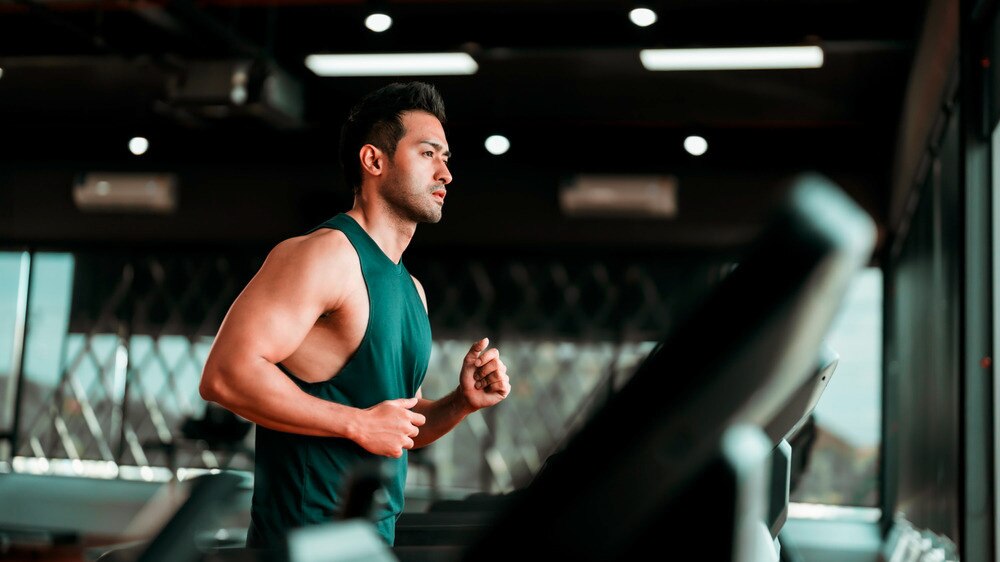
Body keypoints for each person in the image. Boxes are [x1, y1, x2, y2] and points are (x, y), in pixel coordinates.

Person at [198, 81, 511, 549]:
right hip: (302, 548)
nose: (445, 173)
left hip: (370, 543)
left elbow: (397, 426)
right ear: (374, 161)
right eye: (428, 154)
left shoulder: (412, 289)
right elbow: (224, 375)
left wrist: (459, 403)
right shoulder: (325, 255)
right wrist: (356, 423)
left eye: (446, 158)